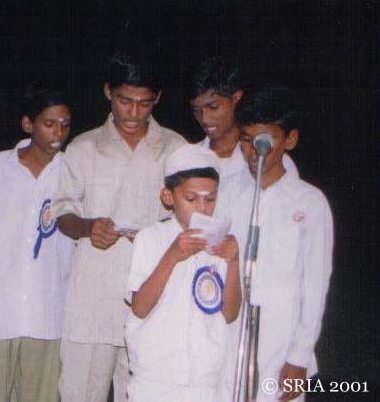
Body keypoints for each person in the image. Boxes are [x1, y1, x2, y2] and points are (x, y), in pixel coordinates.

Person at [53, 52, 185, 402]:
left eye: (145, 103)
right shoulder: (84, 147)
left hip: (151, 299)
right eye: (125, 101)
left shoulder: (175, 149)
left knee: (145, 394)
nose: (134, 113)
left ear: (157, 98)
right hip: (92, 298)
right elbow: (63, 211)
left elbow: (189, 215)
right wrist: (88, 227)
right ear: (108, 92)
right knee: (81, 394)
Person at [219, 87, 333, 402]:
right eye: (246, 140)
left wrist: (299, 357)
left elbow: (315, 286)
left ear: (289, 140)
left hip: (280, 345)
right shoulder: (224, 193)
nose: (255, 152)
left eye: (265, 141)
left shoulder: (310, 203)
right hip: (226, 343)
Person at [0, 84, 74, 402]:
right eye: (49, 123)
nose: (59, 133)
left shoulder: (72, 171)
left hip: (48, 312)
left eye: (65, 124)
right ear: (28, 124)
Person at [124, 144, 241, 401]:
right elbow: (140, 308)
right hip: (156, 378)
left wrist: (233, 262)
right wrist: (172, 256)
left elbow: (230, 314)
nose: (202, 208)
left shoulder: (221, 242)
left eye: (210, 199)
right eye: (191, 198)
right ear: (168, 197)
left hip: (205, 380)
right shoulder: (151, 238)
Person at [189, 56, 298, 182]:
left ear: (236, 97)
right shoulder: (188, 158)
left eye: (213, 107)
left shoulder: (268, 159)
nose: (204, 119)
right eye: (196, 110)